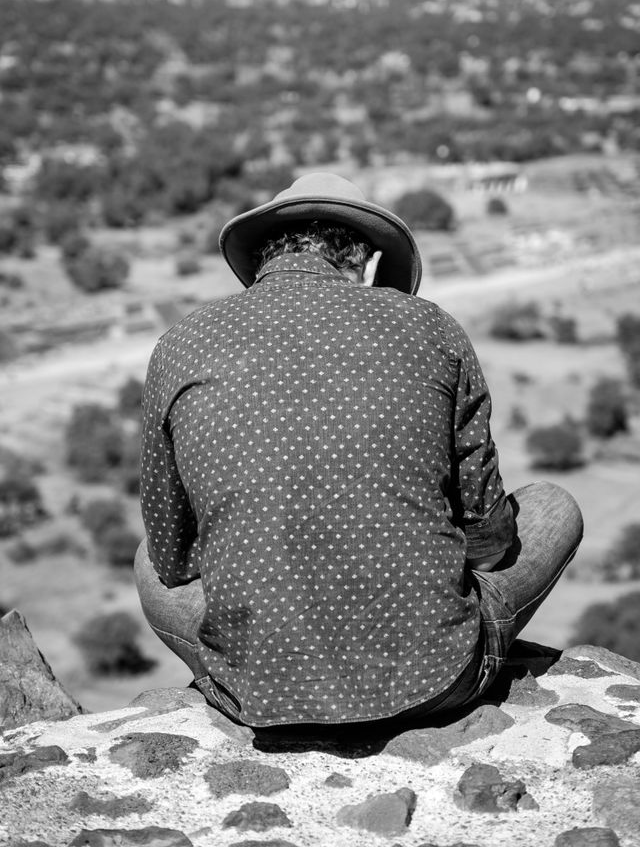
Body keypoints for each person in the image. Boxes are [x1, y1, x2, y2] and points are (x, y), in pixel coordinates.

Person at [135, 171, 583, 728]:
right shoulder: (432, 326)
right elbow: (488, 544)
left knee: (146, 565)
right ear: (369, 265)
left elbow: (174, 559)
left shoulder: (181, 341)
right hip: (436, 678)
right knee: (553, 505)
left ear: (263, 260)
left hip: (260, 692)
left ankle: (268, 673)